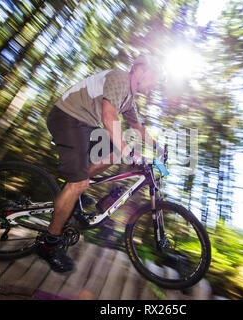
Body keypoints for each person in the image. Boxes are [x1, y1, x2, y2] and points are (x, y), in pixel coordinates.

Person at [36, 55, 165, 272]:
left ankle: (73, 190)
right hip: (67, 117)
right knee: (81, 181)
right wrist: (127, 150)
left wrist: (160, 148)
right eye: (154, 78)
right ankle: (49, 244)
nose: (154, 85)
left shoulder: (129, 99)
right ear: (140, 72)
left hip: (84, 124)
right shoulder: (120, 78)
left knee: (113, 155)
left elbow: (137, 126)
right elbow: (108, 116)